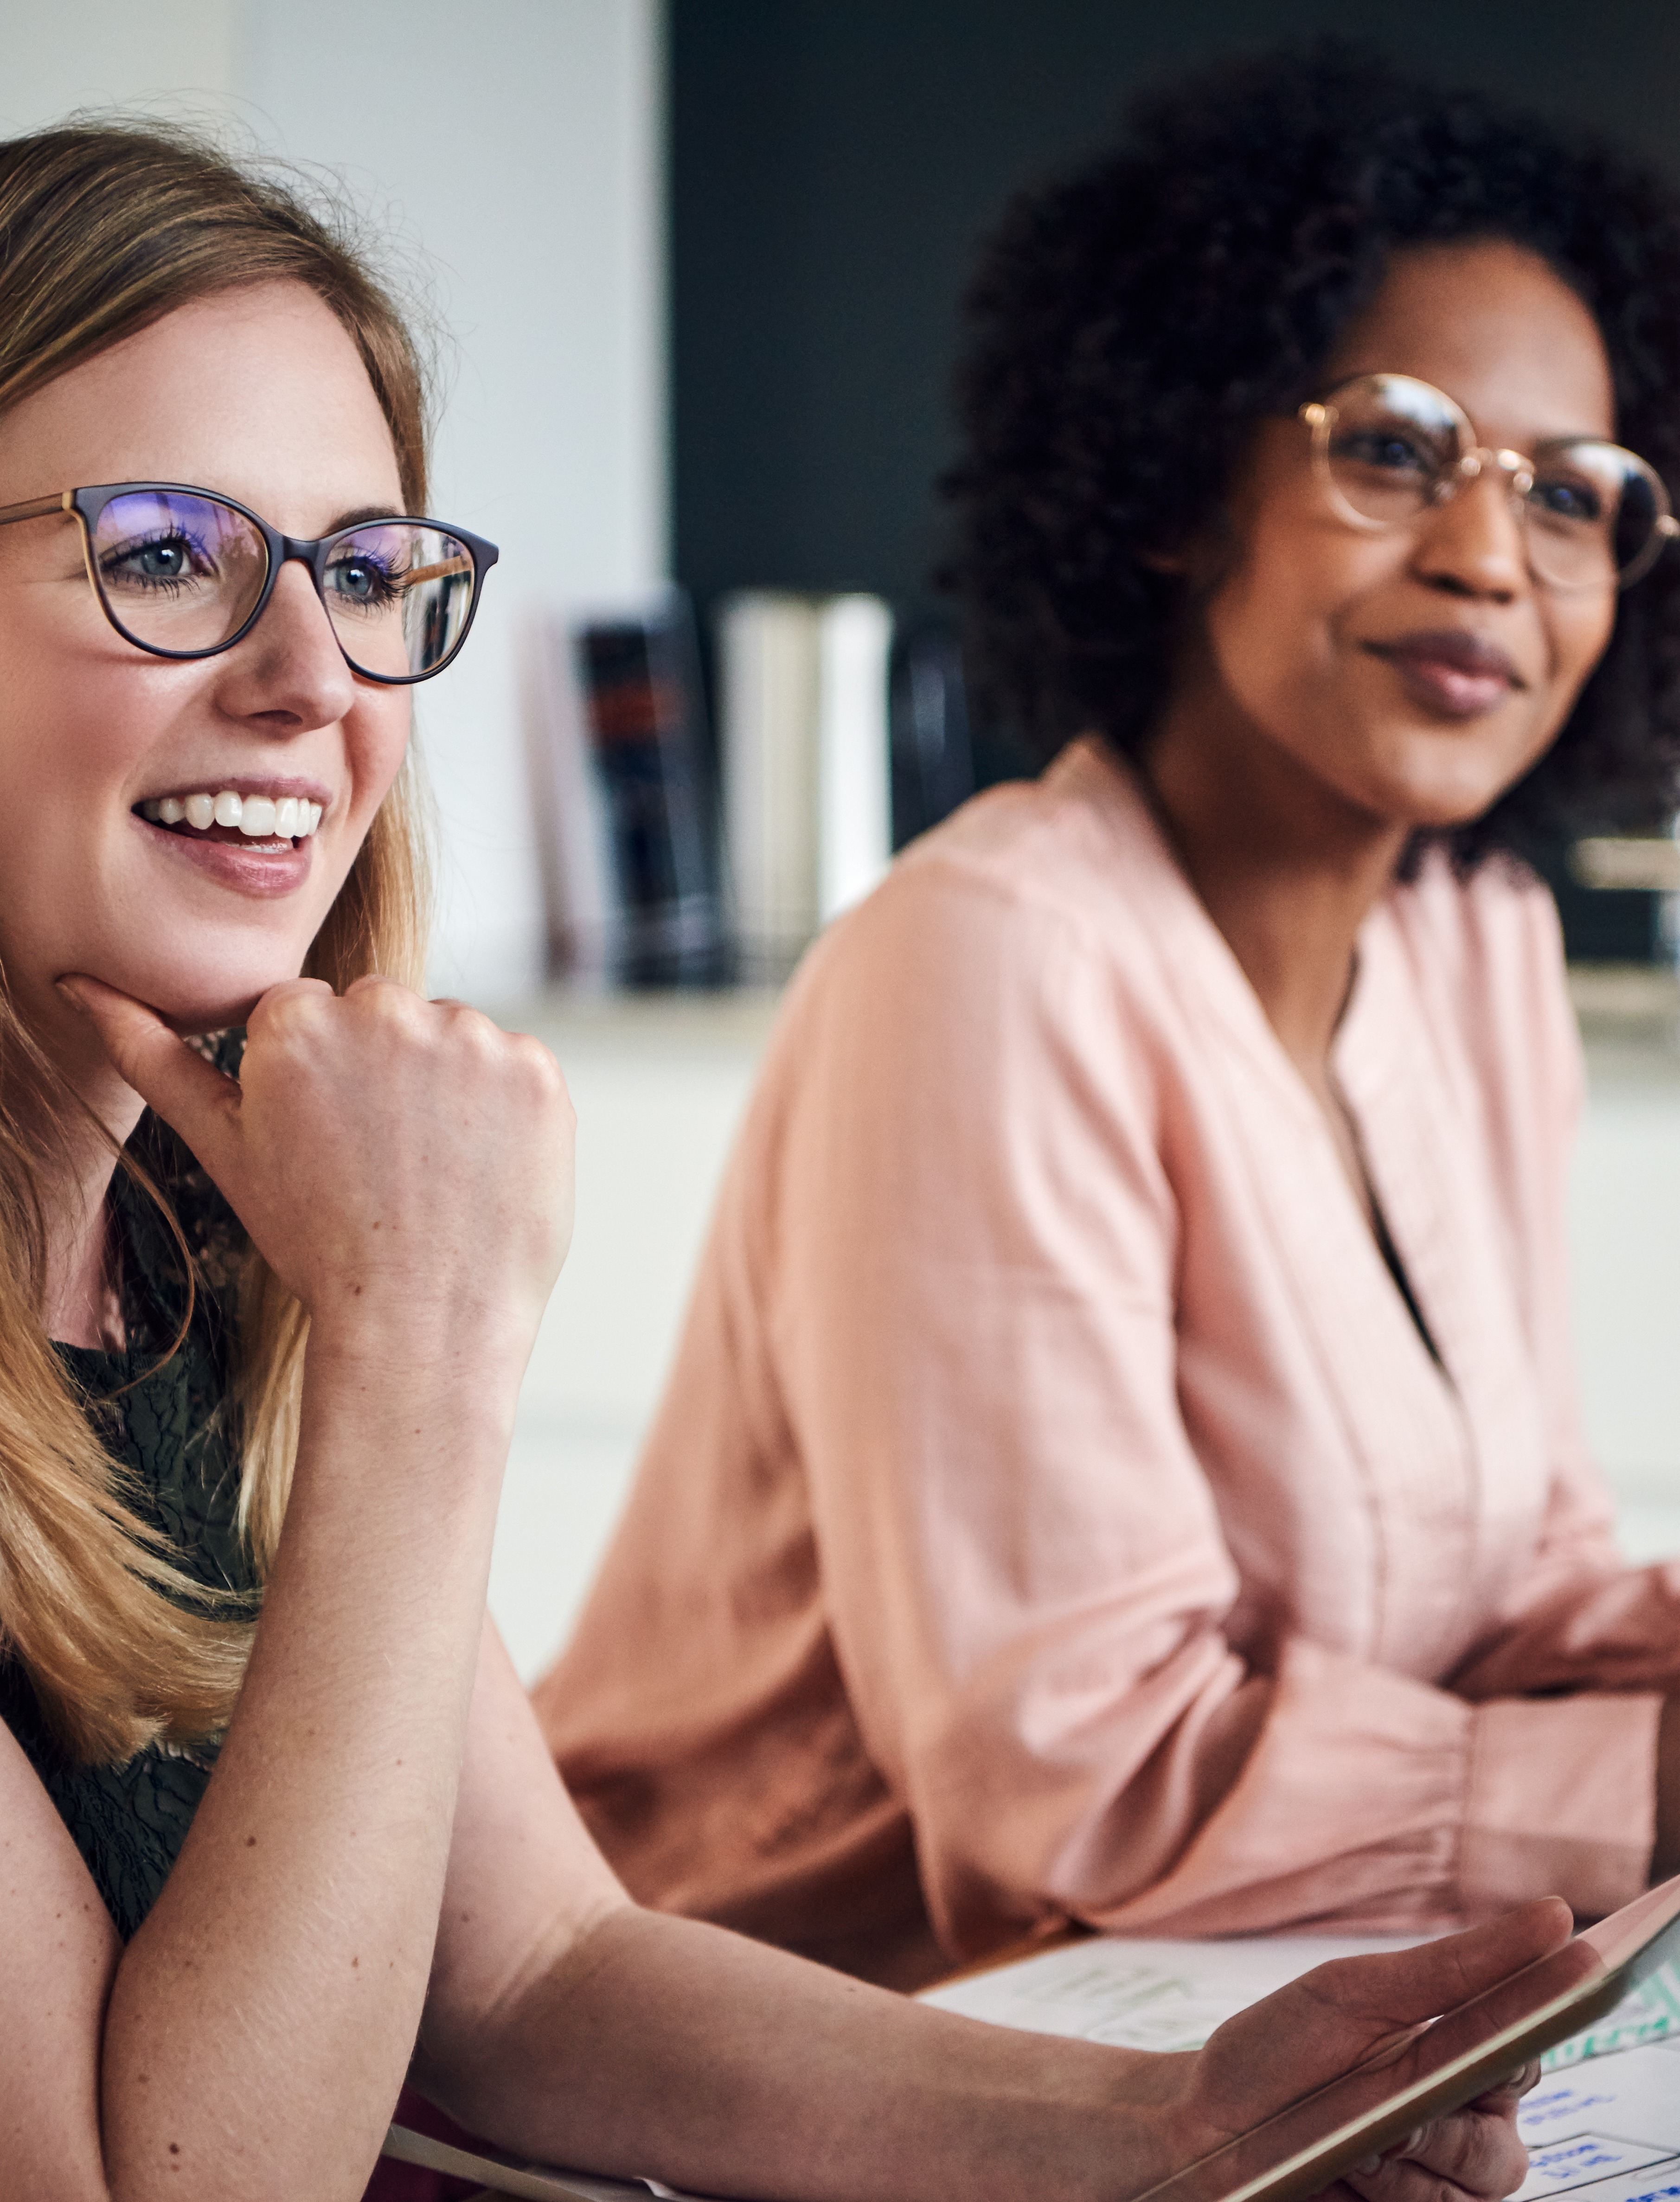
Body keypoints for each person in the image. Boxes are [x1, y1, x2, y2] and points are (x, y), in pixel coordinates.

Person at [0, 115, 1552, 2202]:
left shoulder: (212, 1218)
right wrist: (428, 1357)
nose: (311, 684)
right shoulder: (375, 1273)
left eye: (366, 574)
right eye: (169, 550)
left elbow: (537, 1967)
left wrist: (1175, 2124)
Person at [537, 47, 1680, 1993]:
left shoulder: (1476, 954)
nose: (1494, 552)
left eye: (1573, 495)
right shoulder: (988, 958)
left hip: (1219, 2005)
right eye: (1396, 448)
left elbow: (1521, 1569)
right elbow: (1076, 1783)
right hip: (764, 2049)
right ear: (1175, 483)